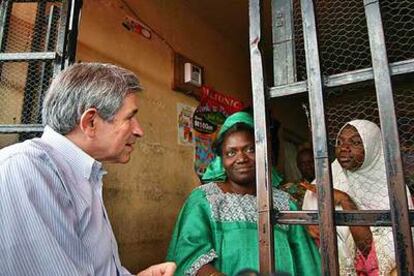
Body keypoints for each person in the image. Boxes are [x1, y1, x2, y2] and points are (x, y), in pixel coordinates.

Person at [0, 63, 175, 276]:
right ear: (90, 122)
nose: (139, 131)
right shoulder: (25, 170)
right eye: (130, 118)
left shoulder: (84, 175)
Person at [166, 111, 321, 275]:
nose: (241, 158)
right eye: (231, 153)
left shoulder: (284, 203)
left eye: (250, 149)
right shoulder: (205, 200)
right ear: (221, 159)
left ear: (263, 153)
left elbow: (307, 263)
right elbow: (189, 257)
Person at [302, 119, 414, 275]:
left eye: (355, 142)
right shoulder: (324, 182)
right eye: (339, 142)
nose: (344, 148)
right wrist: (308, 229)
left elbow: (378, 255)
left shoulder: (392, 189)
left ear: (373, 148)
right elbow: (310, 243)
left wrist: (345, 201)